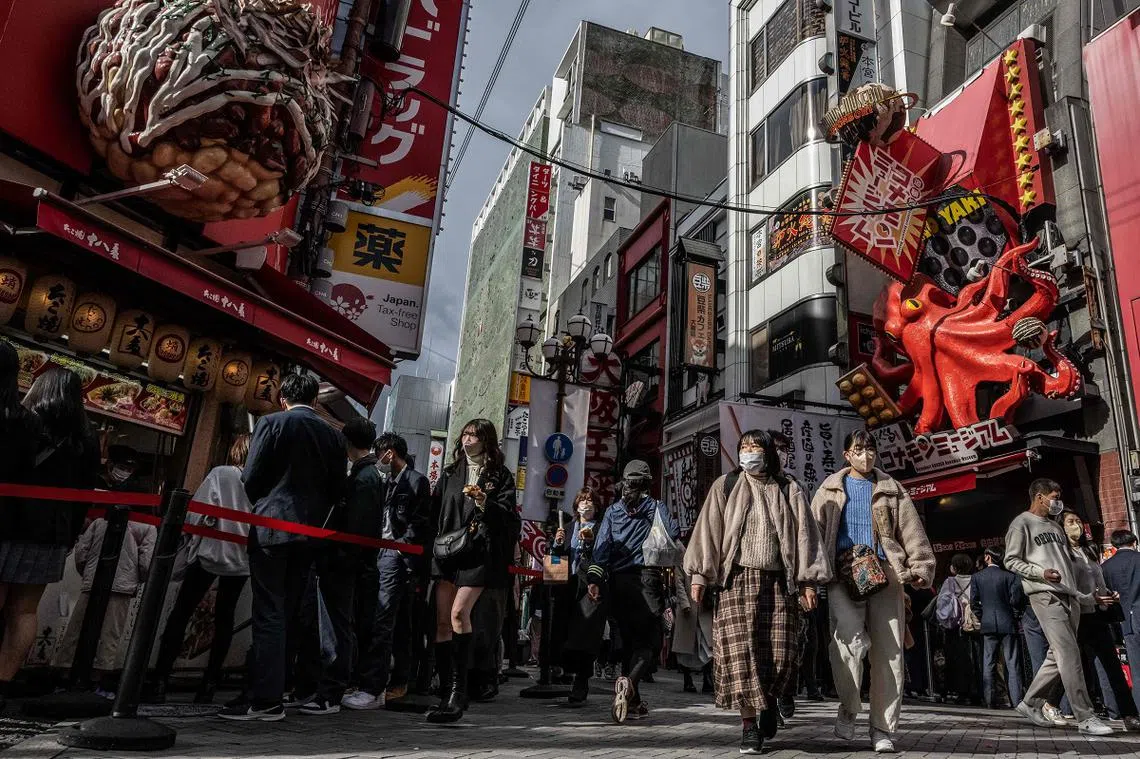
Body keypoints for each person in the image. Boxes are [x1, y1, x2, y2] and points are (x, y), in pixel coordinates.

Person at [685, 430, 828, 754]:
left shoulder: (789, 488)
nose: (749, 453)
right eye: (744, 447)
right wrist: (699, 576)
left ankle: (770, 703)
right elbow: (709, 530)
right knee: (741, 657)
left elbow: (805, 535)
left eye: (755, 447)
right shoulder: (726, 485)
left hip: (779, 583)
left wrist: (808, 582)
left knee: (781, 655)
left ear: (768, 453)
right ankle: (749, 727)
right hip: (736, 581)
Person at [219, 373, 346, 722]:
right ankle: (275, 691)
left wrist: (267, 502)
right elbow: (339, 488)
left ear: (282, 398)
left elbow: (251, 476)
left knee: (268, 612)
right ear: (316, 401)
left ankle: (263, 698)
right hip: (311, 533)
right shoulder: (333, 436)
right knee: (289, 611)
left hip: (272, 527)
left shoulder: (272, 423)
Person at [810, 430, 935, 754]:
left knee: (890, 655)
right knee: (846, 647)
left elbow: (912, 531)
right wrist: (810, 576)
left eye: (870, 450)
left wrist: (921, 567)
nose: (865, 455)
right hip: (842, 576)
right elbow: (812, 536)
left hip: (888, 575)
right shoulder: (828, 490)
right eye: (858, 449)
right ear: (846, 454)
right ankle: (849, 707)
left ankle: (882, 728)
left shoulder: (893, 490)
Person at [0, 365, 98, 702]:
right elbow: (85, 494)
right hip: (50, 535)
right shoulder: (87, 437)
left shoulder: (24, 421)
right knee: (25, 611)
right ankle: (3, 684)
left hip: (8, 523)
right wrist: (69, 536)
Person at [1003, 479, 1113, 736]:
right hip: (1045, 594)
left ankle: (1030, 703)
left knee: (1058, 655)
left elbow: (1068, 567)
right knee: (1069, 653)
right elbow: (1011, 560)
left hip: (1069, 596)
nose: (1057, 500)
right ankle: (1085, 716)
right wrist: (1040, 573)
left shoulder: (1055, 526)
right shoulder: (1021, 523)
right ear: (1039, 497)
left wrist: (1086, 597)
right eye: (1055, 495)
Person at [426, 419, 518, 724]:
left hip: (479, 554)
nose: (468, 440)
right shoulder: (451, 473)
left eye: (475, 436)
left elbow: (506, 518)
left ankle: (458, 691)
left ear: (486, 441)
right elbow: (435, 512)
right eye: (465, 434)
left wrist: (483, 501)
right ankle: (445, 690)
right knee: (441, 622)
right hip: (447, 550)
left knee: (458, 614)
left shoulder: (499, 476)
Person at [151, 434, 253, 704]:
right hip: (241, 559)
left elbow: (196, 512)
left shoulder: (221, 473)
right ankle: (210, 683)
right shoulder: (261, 480)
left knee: (182, 611)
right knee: (225, 618)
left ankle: (160, 677)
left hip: (209, 552)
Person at [587, 460, 679, 725]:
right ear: (648, 483)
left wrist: (594, 579)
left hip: (617, 583)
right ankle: (627, 683)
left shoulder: (613, 511)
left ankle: (634, 701)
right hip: (648, 580)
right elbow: (672, 534)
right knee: (649, 643)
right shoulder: (655, 508)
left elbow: (601, 549)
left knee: (627, 642)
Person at [344, 432, 430, 710]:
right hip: (377, 552)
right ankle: (390, 681)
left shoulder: (416, 482)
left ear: (390, 453)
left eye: (380, 454)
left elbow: (419, 524)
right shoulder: (385, 481)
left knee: (383, 619)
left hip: (396, 555)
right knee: (389, 619)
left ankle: (374, 687)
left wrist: (398, 548)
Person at [52, 513, 155, 696]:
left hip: (92, 584)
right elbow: (147, 563)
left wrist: (87, 574)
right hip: (122, 587)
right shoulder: (147, 527)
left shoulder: (100, 522)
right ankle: (97, 680)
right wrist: (136, 578)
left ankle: (65, 677)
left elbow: (82, 552)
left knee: (77, 629)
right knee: (110, 634)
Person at [1060, 511, 1140, 730]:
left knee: (1111, 665)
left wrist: (1108, 596)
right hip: (1075, 614)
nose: (1075, 525)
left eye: (1077, 521)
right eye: (1070, 522)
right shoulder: (1061, 553)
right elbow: (1065, 586)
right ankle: (1061, 707)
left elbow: (1098, 579)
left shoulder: (1089, 551)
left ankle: (1127, 714)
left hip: (1097, 613)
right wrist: (1089, 597)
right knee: (1071, 666)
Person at [555, 487, 605, 705]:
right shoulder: (567, 528)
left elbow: (603, 557)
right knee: (565, 630)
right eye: (583, 500)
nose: (586, 504)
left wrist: (589, 543)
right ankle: (567, 669)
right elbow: (555, 558)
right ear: (576, 506)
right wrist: (557, 544)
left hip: (589, 587)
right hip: (568, 586)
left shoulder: (602, 529)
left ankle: (581, 680)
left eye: (591, 501)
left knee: (584, 634)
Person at [970, 548, 1026, 708]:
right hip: (1008, 623)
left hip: (988, 624)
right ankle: (1017, 701)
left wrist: (982, 616)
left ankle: (989, 701)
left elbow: (974, 602)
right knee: (1012, 663)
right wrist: (1014, 615)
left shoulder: (977, 577)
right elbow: (1016, 600)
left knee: (989, 663)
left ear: (987, 557)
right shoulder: (1010, 577)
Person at [935, 553, 981, 704]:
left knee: (958, 659)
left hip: (956, 627)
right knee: (977, 658)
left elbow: (942, 603)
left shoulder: (950, 581)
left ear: (954, 568)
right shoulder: (976, 579)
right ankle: (978, 691)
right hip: (974, 624)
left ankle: (961, 692)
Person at [1103, 529, 1140, 716]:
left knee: (1136, 667)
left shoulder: (1106, 567)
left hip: (1124, 620)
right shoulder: (1138, 559)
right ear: (1133, 541)